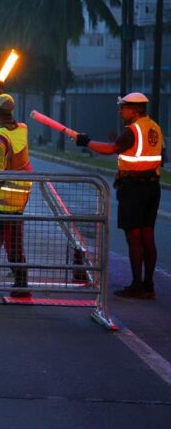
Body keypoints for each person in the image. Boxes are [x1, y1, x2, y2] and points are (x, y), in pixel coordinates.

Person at [75, 92, 163, 299]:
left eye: (123, 108)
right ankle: (148, 286)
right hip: (152, 186)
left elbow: (111, 149)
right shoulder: (155, 127)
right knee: (148, 236)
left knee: (134, 237)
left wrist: (86, 142)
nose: (120, 111)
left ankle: (136, 286)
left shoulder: (133, 130)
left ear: (134, 109)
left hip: (134, 188)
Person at [0, 84, 32, 298]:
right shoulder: (21, 129)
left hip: (1, 199)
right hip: (19, 199)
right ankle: (21, 282)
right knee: (13, 241)